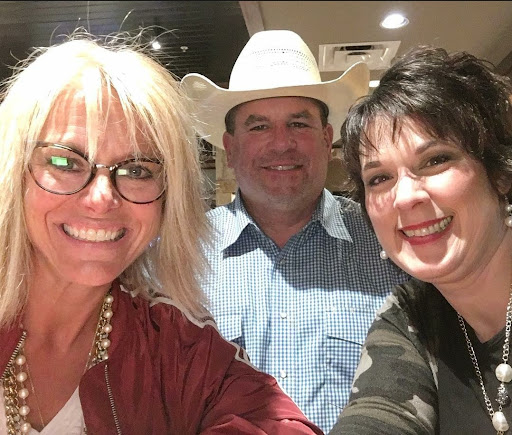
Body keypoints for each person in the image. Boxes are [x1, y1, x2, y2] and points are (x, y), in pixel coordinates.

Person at [0, 32, 324, 435]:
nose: (101, 199)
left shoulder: (178, 346)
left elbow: (272, 419)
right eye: (65, 162)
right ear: (13, 172)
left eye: (137, 170)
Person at [181, 29, 408, 433]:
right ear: (230, 148)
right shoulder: (179, 256)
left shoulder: (391, 242)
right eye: (259, 127)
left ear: (327, 139)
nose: (282, 144)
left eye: (299, 123)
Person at [330, 45, 512, 435]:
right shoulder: (410, 316)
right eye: (379, 178)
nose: (404, 197)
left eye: (435, 160)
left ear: (499, 173)